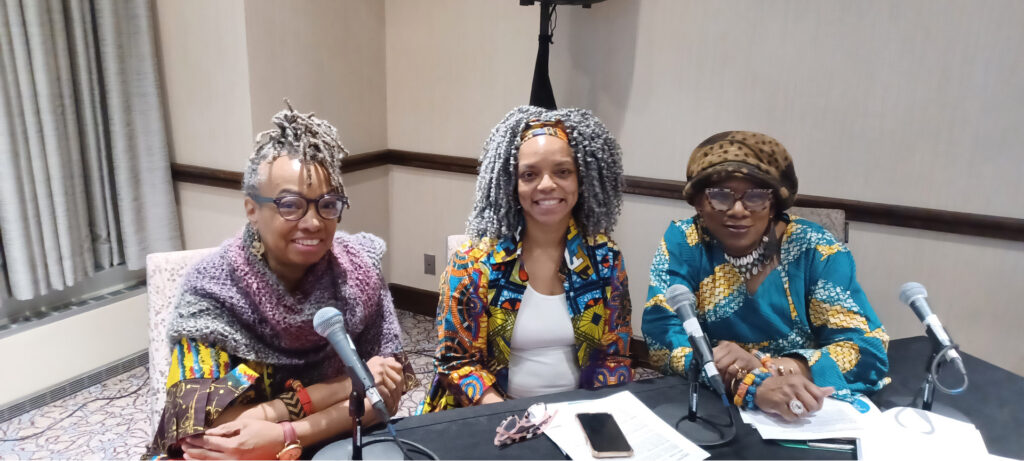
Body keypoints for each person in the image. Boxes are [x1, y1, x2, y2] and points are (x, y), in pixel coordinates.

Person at [145, 103, 413, 460]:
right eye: (290, 205)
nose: (314, 223)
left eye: (328, 204)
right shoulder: (212, 294)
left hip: (339, 441)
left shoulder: (358, 274)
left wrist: (287, 432)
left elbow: (386, 396)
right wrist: (346, 385)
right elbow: (202, 429)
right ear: (252, 209)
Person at [642, 131, 889, 421]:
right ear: (697, 201)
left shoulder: (816, 250)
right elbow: (664, 340)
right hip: (714, 407)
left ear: (774, 204)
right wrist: (747, 385)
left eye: (756, 196)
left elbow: (867, 351)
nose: (737, 210)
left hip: (803, 409)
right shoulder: (684, 242)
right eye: (720, 195)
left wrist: (772, 367)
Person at [418, 106, 634, 413]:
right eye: (529, 174)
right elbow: (457, 363)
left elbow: (615, 358)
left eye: (563, 172)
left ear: (582, 179)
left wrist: (597, 417)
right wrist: (508, 416)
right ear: (511, 184)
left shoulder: (605, 259)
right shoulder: (472, 263)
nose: (547, 185)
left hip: (578, 415)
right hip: (494, 413)